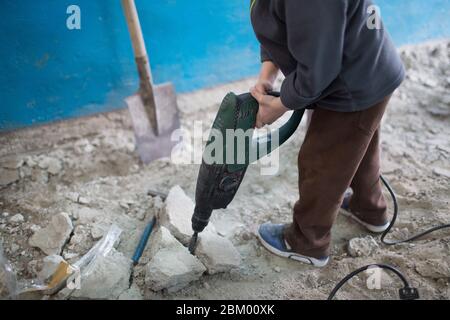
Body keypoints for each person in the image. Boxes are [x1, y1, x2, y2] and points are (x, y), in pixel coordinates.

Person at [250, 0, 405, 267]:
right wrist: (269, 72)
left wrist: (279, 105)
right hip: (368, 71)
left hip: (350, 85)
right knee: (357, 148)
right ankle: (369, 208)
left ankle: (307, 241)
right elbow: (288, 22)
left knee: (321, 161)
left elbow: (318, 65)